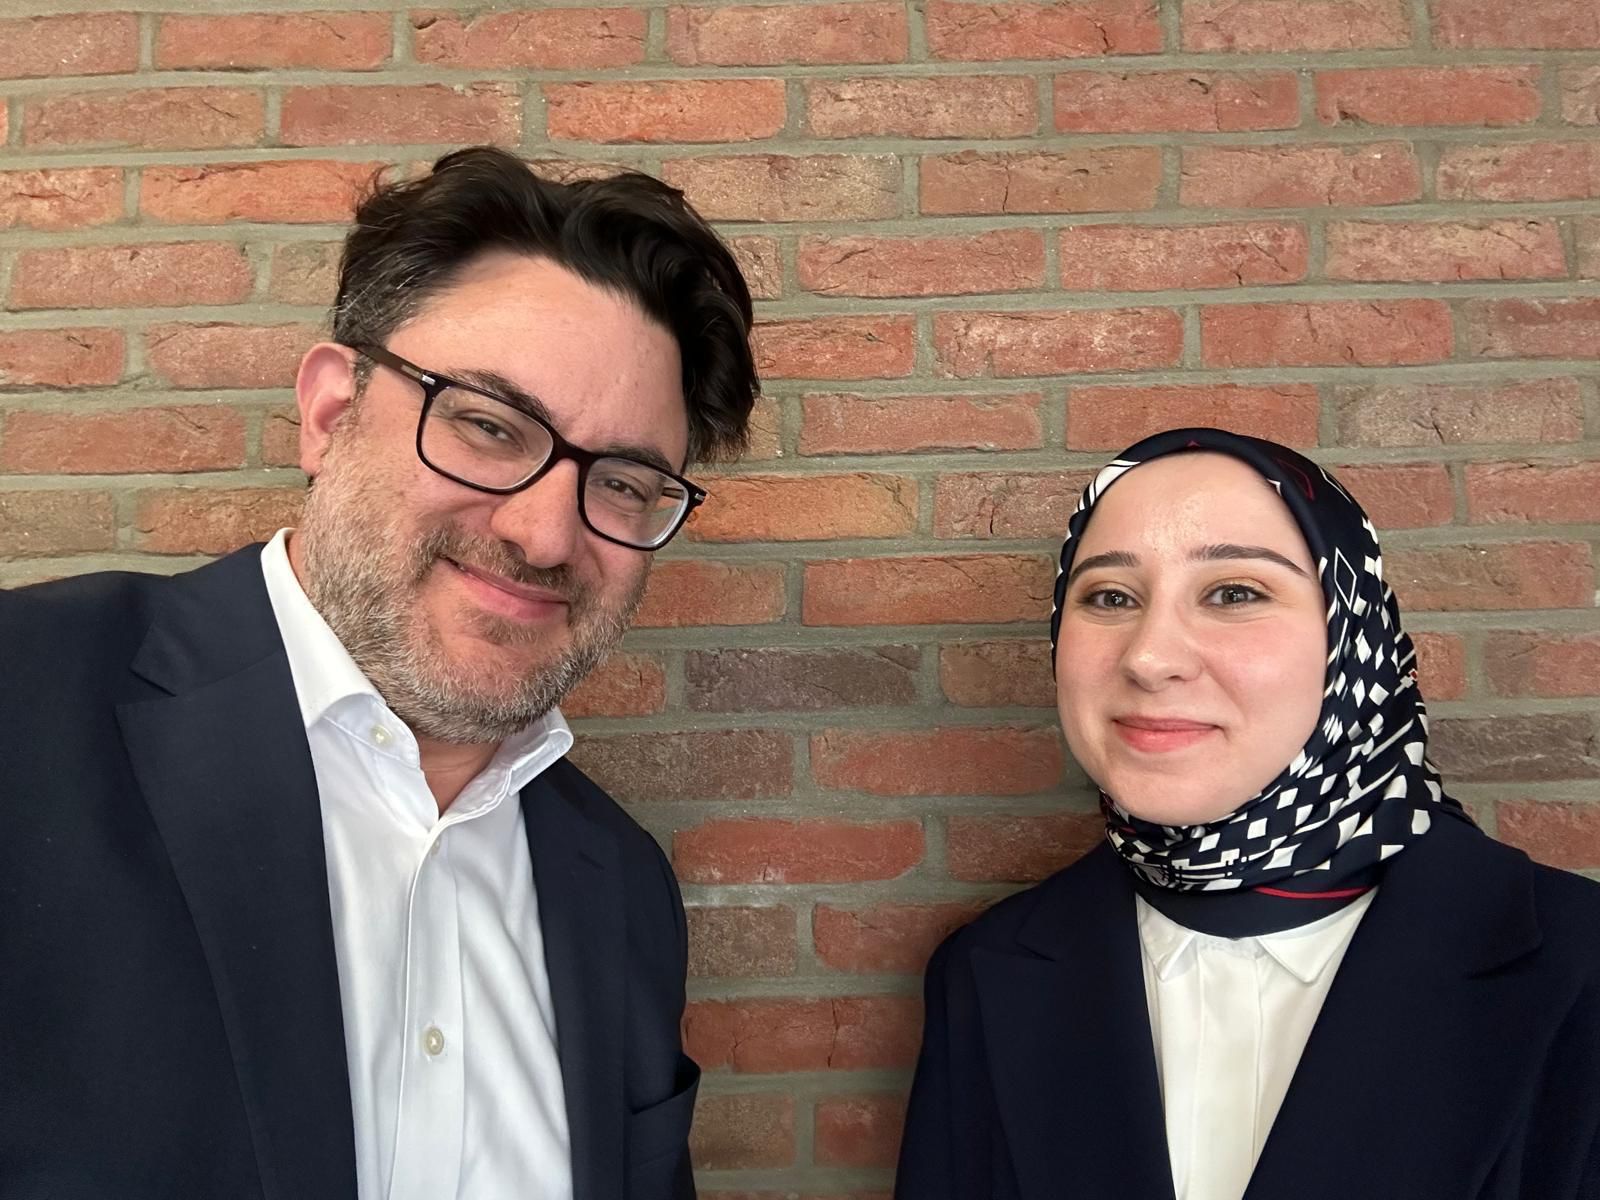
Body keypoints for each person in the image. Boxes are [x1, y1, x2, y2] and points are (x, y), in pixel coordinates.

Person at [0, 147, 758, 1200]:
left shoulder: (621, 889)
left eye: (625, 483)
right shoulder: (27, 711)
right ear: (329, 412)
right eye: (488, 426)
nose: (545, 535)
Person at [896, 428, 1600, 1200]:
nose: (1149, 657)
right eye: (1110, 597)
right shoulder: (984, 973)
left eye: (1234, 593)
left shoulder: (1578, 965)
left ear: (1350, 639)